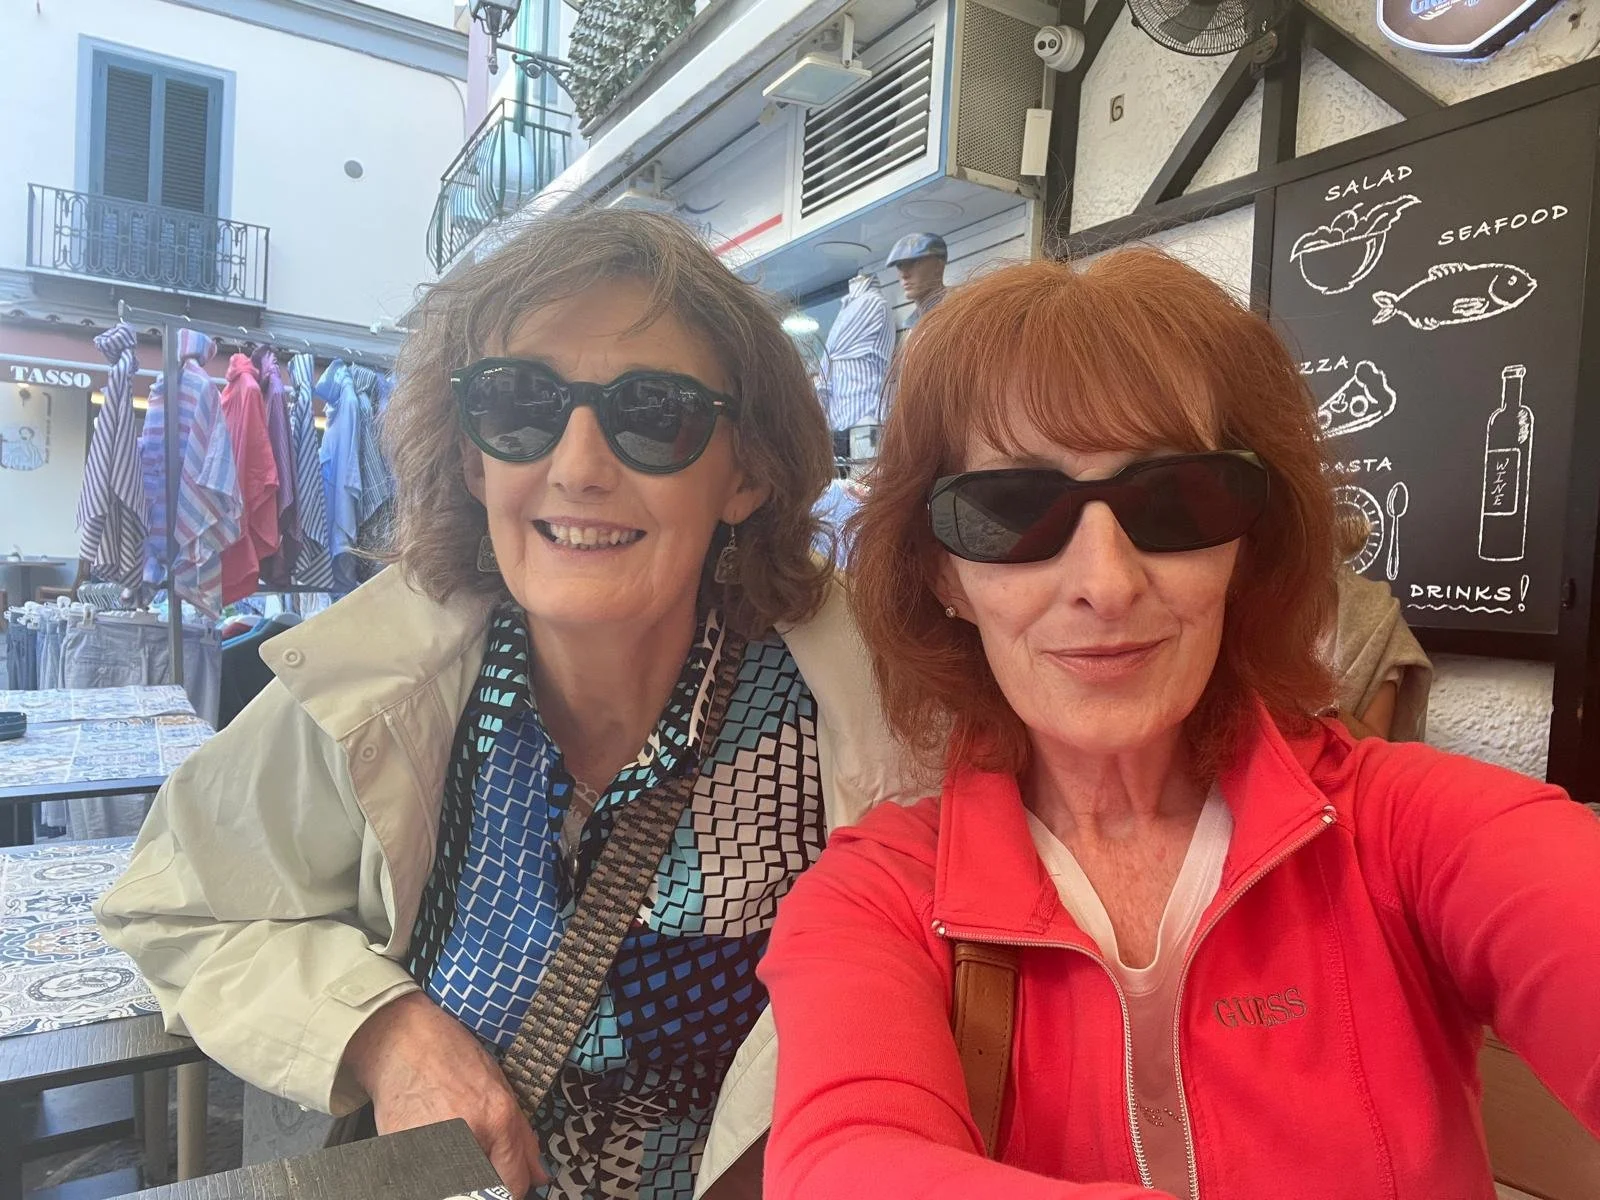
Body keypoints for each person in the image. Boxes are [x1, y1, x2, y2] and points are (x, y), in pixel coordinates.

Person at [97, 209, 922, 1200]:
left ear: (744, 471)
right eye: (520, 404)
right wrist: (383, 1029)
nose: (576, 465)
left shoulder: (869, 707)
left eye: (653, 412)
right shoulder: (385, 672)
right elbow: (179, 903)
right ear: (472, 455)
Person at [758, 249, 1600, 1199]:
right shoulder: (878, 898)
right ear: (943, 576)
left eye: (1179, 501)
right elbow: (846, 1161)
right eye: (1012, 512)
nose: (1107, 586)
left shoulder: (1409, 833)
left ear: (1249, 546)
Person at [816, 272, 894, 461]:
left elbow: (833, 356)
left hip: (864, 419)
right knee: (848, 484)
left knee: (864, 483)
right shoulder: (848, 307)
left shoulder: (872, 304)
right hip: (844, 421)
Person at [885, 232, 948, 327]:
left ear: (938, 265)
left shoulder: (960, 307)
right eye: (899, 265)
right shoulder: (911, 323)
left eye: (913, 263)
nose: (904, 275)